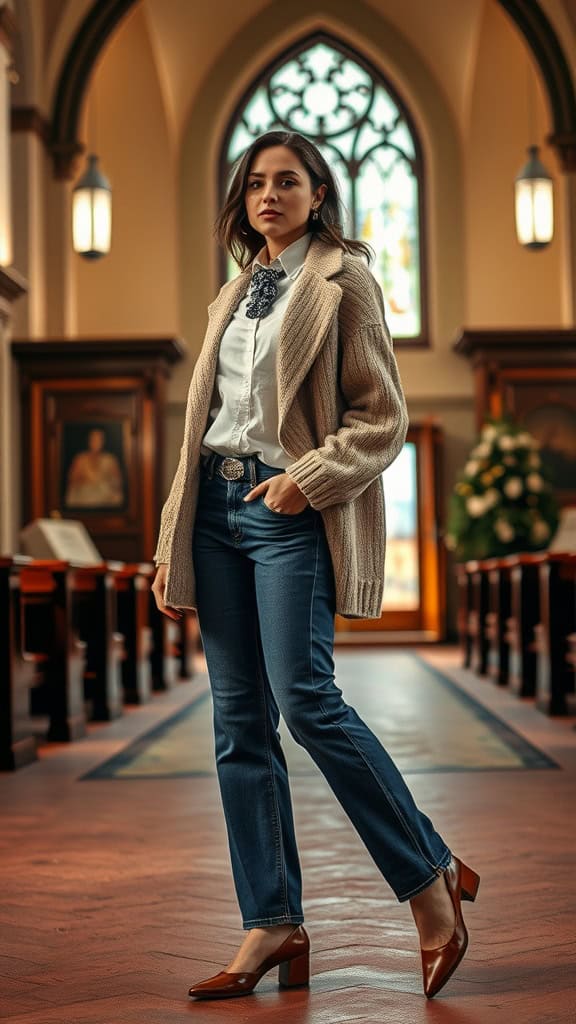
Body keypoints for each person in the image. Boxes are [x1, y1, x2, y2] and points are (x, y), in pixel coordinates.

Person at [151, 130, 479, 1002]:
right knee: (237, 726)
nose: (269, 194)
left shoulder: (344, 283)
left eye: (286, 181)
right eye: (255, 182)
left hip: (285, 511)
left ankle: (428, 881)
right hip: (216, 516)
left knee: (306, 700)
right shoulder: (230, 293)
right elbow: (198, 433)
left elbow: (383, 417)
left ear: (317, 194)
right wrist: (171, 543)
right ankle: (272, 920)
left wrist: (306, 479)